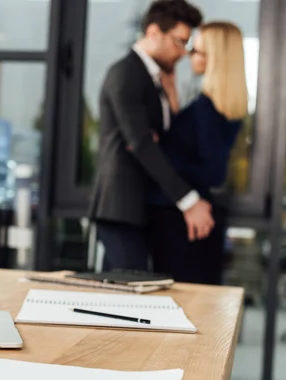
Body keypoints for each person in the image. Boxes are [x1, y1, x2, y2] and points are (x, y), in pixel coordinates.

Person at [90, 0, 212, 272]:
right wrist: (189, 201)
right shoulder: (126, 73)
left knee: (120, 301)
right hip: (121, 209)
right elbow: (142, 143)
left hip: (143, 208)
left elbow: (162, 141)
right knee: (128, 298)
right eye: (179, 42)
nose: (182, 53)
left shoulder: (155, 77)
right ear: (154, 32)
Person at [148, 21, 248, 284]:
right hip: (188, 219)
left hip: (183, 223)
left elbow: (213, 172)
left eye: (197, 51)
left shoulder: (207, 109)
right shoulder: (219, 109)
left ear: (215, 58)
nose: (189, 55)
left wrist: (160, 149)